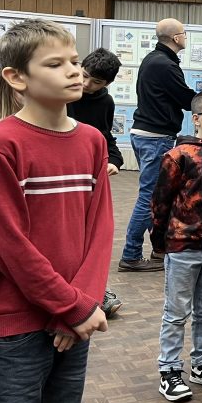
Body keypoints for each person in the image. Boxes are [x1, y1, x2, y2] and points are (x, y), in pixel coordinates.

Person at [0, 19, 113, 403]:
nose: (73, 72)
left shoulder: (91, 141)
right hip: (18, 327)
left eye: (74, 61)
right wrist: (72, 307)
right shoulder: (6, 143)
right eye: (55, 64)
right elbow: (10, 246)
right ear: (16, 77)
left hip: (73, 324)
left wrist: (80, 306)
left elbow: (100, 230)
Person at [150, 90, 202, 402]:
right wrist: (160, 241)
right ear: (196, 119)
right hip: (182, 246)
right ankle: (169, 369)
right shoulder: (179, 155)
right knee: (176, 312)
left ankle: (201, 363)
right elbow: (160, 202)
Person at [120, 18, 196, 272]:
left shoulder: (154, 59)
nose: (186, 37)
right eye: (184, 33)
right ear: (176, 38)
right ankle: (131, 255)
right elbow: (186, 99)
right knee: (150, 197)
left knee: (158, 194)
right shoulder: (165, 65)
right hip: (155, 137)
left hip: (148, 134)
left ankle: (159, 248)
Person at [68, 47, 126, 317]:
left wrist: (115, 160)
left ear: (107, 84)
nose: (86, 84)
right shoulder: (65, 91)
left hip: (86, 177)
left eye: (96, 82)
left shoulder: (105, 102)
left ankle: (95, 291)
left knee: (89, 234)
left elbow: (104, 135)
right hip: (62, 172)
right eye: (85, 75)